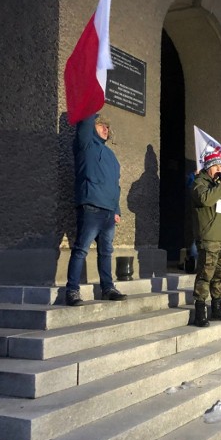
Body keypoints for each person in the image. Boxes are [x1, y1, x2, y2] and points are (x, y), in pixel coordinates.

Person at [65, 114, 127, 306]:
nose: (105, 129)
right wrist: (92, 107)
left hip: (109, 211)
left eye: (107, 127)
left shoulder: (111, 156)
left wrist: (117, 210)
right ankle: (72, 291)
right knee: (81, 249)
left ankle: (107, 288)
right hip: (91, 205)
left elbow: (115, 185)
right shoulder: (85, 145)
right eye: (101, 126)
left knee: (106, 252)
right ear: (93, 127)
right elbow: (84, 123)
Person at [191, 152, 221, 327]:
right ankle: (200, 311)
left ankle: (217, 308)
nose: (220, 170)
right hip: (210, 239)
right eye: (217, 167)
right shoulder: (199, 184)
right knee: (205, 275)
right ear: (209, 167)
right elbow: (205, 200)